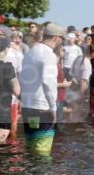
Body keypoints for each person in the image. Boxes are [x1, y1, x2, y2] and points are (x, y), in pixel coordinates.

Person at [20, 22, 66, 154]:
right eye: (61, 39)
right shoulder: (49, 55)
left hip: (28, 108)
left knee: (31, 146)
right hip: (42, 109)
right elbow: (48, 83)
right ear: (57, 38)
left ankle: (30, 173)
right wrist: (53, 108)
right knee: (42, 150)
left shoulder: (31, 51)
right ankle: (42, 174)